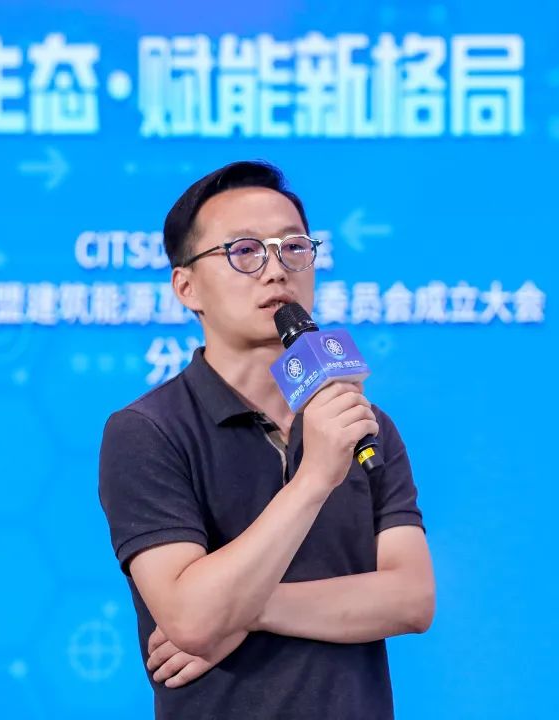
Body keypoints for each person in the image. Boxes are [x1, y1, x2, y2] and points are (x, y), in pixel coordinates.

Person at [98, 160, 434, 719]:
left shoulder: (358, 419)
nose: (276, 270)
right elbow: (191, 618)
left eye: (294, 248)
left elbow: (411, 598)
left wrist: (243, 610)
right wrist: (315, 478)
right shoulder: (147, 430)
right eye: (245, 251)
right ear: (186, 287)